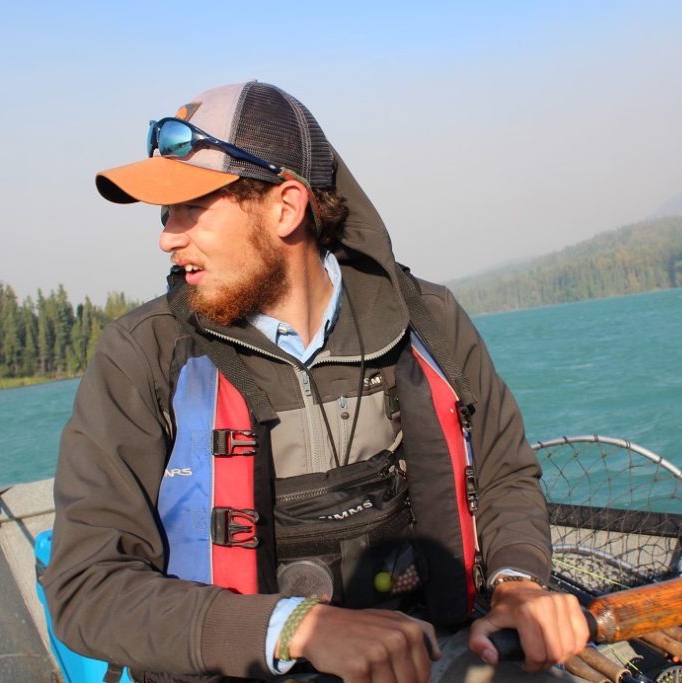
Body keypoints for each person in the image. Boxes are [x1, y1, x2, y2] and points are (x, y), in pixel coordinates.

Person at [43, 81, 588, 683]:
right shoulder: (140, 355)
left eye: (192, 208)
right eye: (166, 214)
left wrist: (517, 582)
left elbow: (504, 472)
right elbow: (85, 588)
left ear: (286, 206)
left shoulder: (429, 320)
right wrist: (296, 627)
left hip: (434, 654)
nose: (168, 236)